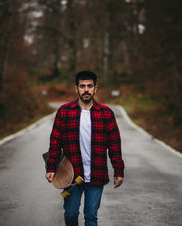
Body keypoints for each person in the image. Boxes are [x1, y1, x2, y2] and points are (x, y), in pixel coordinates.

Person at [45, 71, 125, 226]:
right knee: (70, 214)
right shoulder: (64, 111)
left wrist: (118, 170)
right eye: (82, 86)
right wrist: (51, 167)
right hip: (71, 177)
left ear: (95, 88)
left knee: (91, 217)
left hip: (97, 175)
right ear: (76, 89)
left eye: (90, 86)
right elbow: (55, 141)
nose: (86, 89)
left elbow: (114, 144)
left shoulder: (106, 113)